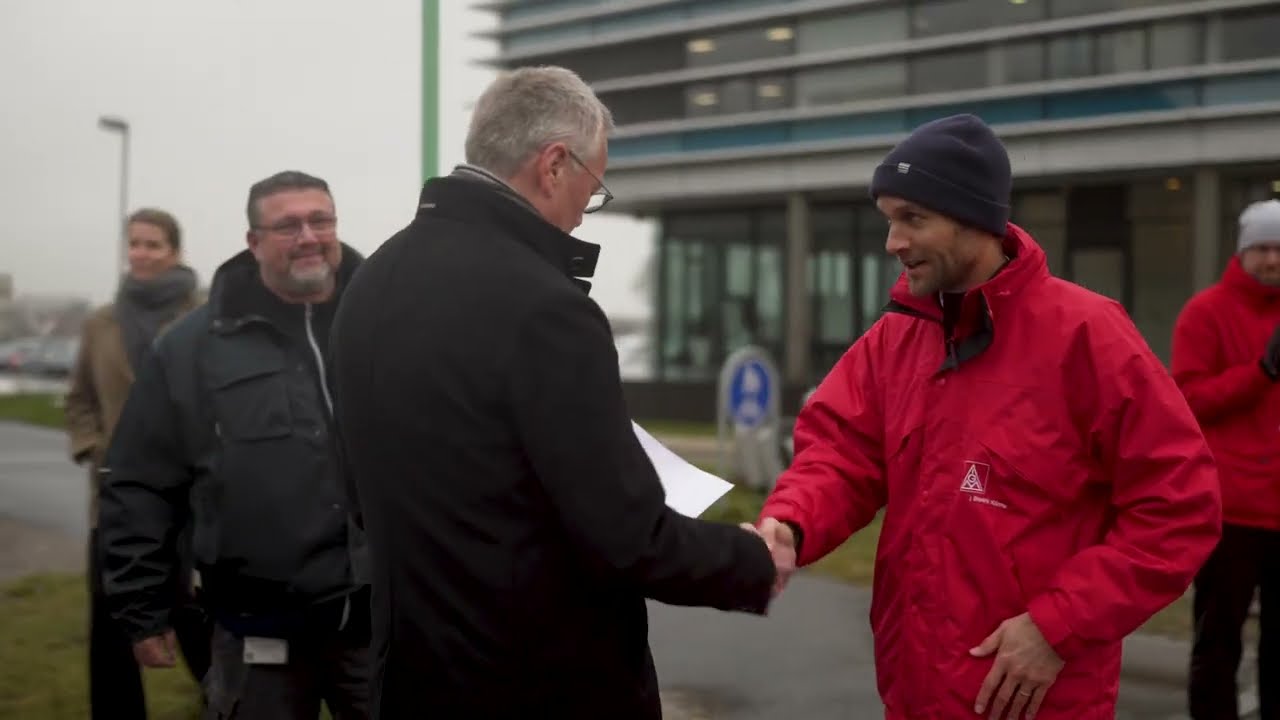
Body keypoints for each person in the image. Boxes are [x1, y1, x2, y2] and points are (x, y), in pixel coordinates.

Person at [328, 66, 778, 719]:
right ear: (554, 165)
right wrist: (749, 558)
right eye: (593, 188)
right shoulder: (545, 308)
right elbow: (625, 538)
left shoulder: (368, 287)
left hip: (412, 681)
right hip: (540, 683)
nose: (581, 214)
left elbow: (358, 492)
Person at [753, 114, 1222, 719]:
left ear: (974, 220)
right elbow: (841, 455)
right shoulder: (896, 338)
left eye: (912, 219)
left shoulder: (1090, 337)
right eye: (890, 219)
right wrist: (789, 525)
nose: (893, 242)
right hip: (914, 694)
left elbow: (1178, 509)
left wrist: (1058, 627)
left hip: (1038, 703)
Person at [98, 171, 371, 720]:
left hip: (375, 623)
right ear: (253, 241)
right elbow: (141, 482)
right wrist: (141, 610)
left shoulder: (383, 324)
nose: (308, 236)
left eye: (320, 220)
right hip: (256, 632)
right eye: (287, 225)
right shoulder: (189, 350)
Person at [65, 207, 208, 719]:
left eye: (153, 244)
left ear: (175, 251)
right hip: (113, 503)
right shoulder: (100, 324)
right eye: (135, 243)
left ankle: (228, 703)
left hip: (187, 500)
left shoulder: (203, 314)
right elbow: (79, 398)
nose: (141, 254)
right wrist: (92, 448)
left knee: (198, 624)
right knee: (111, 636)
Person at [1173, 198, 1280, 719]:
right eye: (1261, 248)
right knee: (1218, 640)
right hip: (1230, 510)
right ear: (1242, 252)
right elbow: (1187, 400)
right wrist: (1260, 373)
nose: (1272, 260)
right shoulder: (1206, 312)